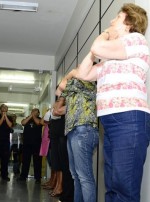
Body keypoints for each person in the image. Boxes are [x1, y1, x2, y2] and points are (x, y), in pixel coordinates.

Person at [76, 3, 150, 202]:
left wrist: (106, 35)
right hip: (111, 122)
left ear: (129, 23)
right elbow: (83, 73)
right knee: (112, 186)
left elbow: (98, 46)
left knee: (124, 189)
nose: (111, 21)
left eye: (116, 18)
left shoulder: (137, 40)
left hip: (129, 119)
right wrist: (94, 52)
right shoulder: (112, 59)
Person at [56, 69, 99, 202]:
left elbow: (61, 86)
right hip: (72, 131)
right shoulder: (74, 91)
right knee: (76, 175)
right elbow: (57, 107)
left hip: (83, 129)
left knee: (84, 176)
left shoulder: (88, 83)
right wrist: (64, 97)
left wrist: (73, 72)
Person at [17, 108, 43, 184]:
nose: (33, 112)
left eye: (36, 111)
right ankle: (23, 176)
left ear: (38, 113)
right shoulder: (27, 119)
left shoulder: (40, 119)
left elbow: (38, 123)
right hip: (27, 143)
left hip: (37, 143)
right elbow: (23, 123)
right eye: (33, 111)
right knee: (25, 161)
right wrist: (30, 116)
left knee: (37, 161)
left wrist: (33, 116)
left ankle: (38, 178)